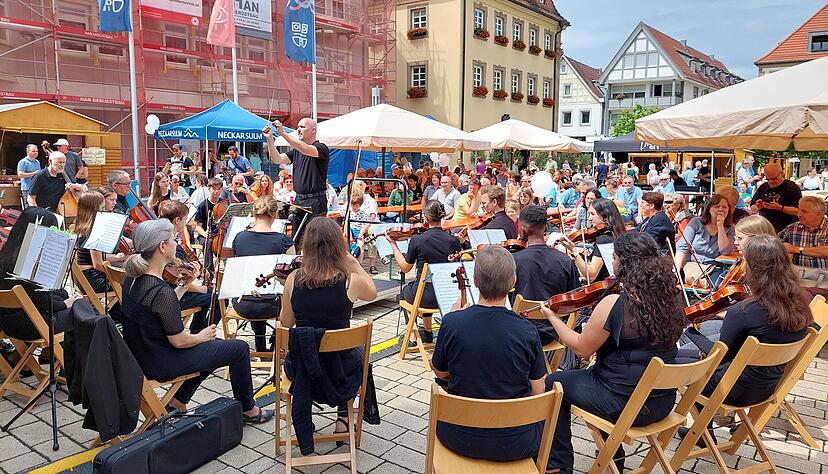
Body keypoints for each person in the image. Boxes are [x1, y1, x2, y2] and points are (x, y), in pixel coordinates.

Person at [543, 232, 685, 472]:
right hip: (662, 402)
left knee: (554, 381)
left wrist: (553, 318)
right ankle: (613, 458)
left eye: (615, 258)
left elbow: (581, 349)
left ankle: (559, 465)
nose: (613, 262)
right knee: (597, 379)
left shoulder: (615, 303)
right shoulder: (672, 298)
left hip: (626, 406)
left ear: (624, 263)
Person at [119, 219, 272, 422]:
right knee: (239, 349)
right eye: (174, 239)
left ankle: (178, 400)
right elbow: (179, 341)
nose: (177, 243)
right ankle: (248, 410)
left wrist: (184, 285)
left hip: (141, 355)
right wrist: (201, 336)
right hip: (160, 362)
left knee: (216, 348)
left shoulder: (133, 278)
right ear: (162, 247)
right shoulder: (160, 290)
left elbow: (160, 308)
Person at [431, 246, 547, 462]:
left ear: (475, 281)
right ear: (513, 282)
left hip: (458, 436)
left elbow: (440, 372)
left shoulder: (452, 322)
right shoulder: (528, 330)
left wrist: (452, 319)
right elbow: (538, 390)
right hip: (517, 442)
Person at [279, 217, 377, 437]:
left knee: (310, 347)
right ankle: (343, 417)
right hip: (341, 372)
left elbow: (285, 325)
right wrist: (353, 262)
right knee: (356, 353)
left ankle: (304, 417)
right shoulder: (350, 280)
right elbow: (372, 292)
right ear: (338, 247)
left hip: (303, 371)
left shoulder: (293, 279)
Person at [0, 208, 81, 341]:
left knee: (72, 303)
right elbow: (41, 301)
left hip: (8, 321)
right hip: (30, 324)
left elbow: (37, 296)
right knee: (84, 312)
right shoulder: (29, 262)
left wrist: (64, 298)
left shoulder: (6, 252)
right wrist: (65, 303)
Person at [387, 201, 462, 344]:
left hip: (424, 297)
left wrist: (393, 244)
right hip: (445, 296)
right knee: (424, 286)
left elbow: (405, 268)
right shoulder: (453, 241)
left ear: (425, 217)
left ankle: (412, 336)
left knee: (406, 291)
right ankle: (427, 332)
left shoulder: (418, 240)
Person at [231, 196, 295, 352]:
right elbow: (292, 277)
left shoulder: (239, 238)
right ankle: (276, 343)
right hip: (272, 306)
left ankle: (261, 347)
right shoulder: (284, 240)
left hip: (242, 304)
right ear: (275, 214)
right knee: (290, 297)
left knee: (256, 293)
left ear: (254, 213)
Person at [513, 205, 580, 345]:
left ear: (523, 229)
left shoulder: (514, 260)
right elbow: (575, 300)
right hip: (555, 330)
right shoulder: (564, 260)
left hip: (520, 332)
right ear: (545, 228)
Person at [158, 201, 215, 333]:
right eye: (185, 219)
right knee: (216, 298)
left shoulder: (164, 238)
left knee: (211, 294)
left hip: (170, 291)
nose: (186, 222)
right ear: (177, 220)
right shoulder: (169, 245)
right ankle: (199, 332)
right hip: (174, 296)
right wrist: (200, 288)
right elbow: (178, 280)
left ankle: (197, 330)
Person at [263, 118, 330, 218]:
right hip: (298, 199)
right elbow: (277, 159)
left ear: (313, 130)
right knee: (295, 227)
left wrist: (283, 134)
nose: (298, 129)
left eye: (302, 127)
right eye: (298, 127)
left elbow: (305, 149)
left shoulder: (321, 148)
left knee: (313, 228)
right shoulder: (296, 151)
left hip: (316, 200)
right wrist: (269, 139)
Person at [561, 198, 627, 283]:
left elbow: (591, 276)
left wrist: (574, 251)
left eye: (592, 214)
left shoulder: (604, 239)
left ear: (605, 216)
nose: (589, 218)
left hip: (602, 286)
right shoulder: (618, 234)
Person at [675, 194, 735, 285]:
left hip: (713, 268)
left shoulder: (730, 228)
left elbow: (725, 251)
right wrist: (676, 269)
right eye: (716, 206)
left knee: (716, 285)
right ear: (709, 209)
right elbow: (682, 246)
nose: (721, 209)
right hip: (690, 265)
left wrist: (720, 227)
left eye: (724, 207)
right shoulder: (696, 222)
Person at [74, 191, 127, 293]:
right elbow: (98, 264)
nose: (104, 211)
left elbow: (95, 257)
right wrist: (120, 274)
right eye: (102, 207)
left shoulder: (82, 226)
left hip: (84, 279)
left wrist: (119, 258)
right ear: (95, 208)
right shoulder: (94, 229)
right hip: (94, 280)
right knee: (134, 282)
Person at [779, 196, 828, 269]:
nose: (799, 214)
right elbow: (774, 243)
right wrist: (784, 252)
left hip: (825, 274)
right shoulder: (792, 228)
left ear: (818, 214)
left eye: (804, 211)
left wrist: (797, 249)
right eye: (799, 210)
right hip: (797, 273)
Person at [751, 163, 802, 233]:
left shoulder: (791, 187)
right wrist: (759, 207)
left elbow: (799, 211)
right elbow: (752, 208)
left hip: (786, 229)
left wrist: (780, 208)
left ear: (782, 174)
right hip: (765, 228)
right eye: (768, 179)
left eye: (774, 179)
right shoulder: (763, 187)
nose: (771, 182)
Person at [191, 178, 225, 272]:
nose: (216, 191)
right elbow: (198, 226)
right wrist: (205, 234)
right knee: (208, 242)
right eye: (214, 188)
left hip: (221, 232)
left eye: (219, 189)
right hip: (207, 233)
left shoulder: (224, 203)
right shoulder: (203, 206)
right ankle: (209, 271)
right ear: (209, 189)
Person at [636, 192, 675, 256]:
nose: (641, 205)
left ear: (651, 206)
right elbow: (636, 231)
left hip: (659, 257)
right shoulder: (649, 218)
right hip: (649, 253)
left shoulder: (660, 220)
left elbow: (648, 241)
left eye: (643, 203)